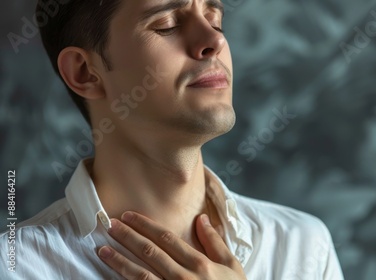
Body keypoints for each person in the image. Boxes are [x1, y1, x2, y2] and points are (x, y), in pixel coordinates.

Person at [1, 0, 345, 279]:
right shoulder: (16, 266)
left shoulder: (303, 247)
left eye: (214, 17)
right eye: (166, 24)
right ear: (84, 72)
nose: (215, 40)